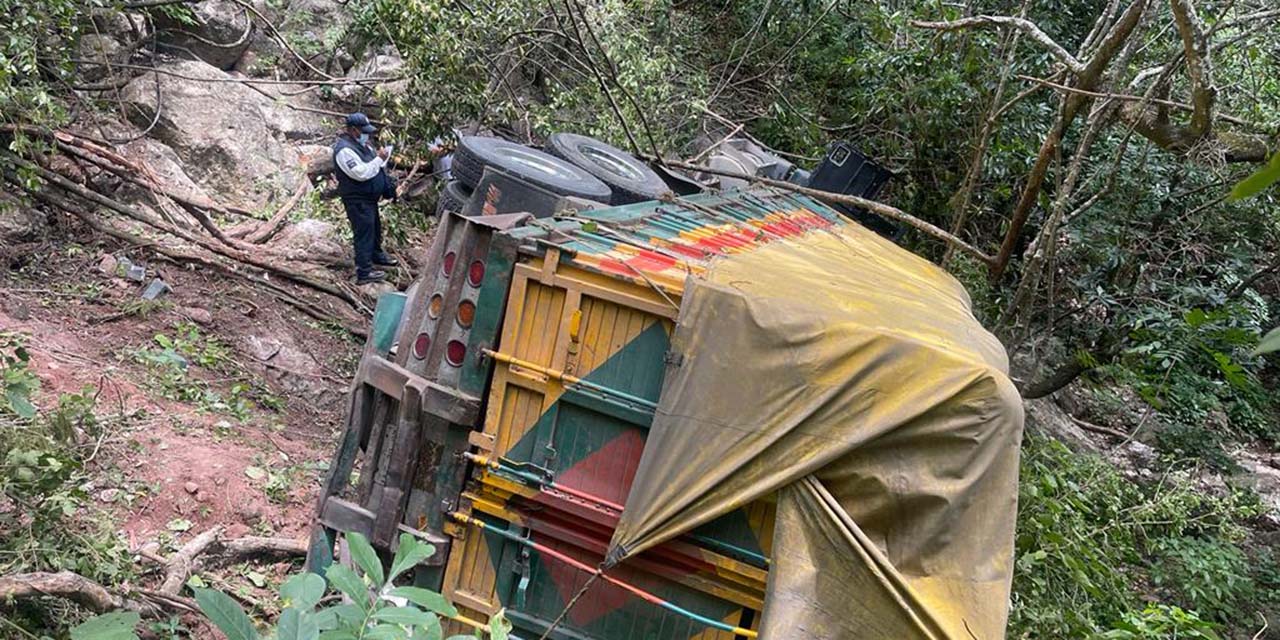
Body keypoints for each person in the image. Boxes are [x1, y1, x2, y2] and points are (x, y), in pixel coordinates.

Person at [333, 112, 398, 284]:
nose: (367, 135)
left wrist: (383, 160)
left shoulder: (365, 146)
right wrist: (379, 159)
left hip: (370, 199)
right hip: (357, 200)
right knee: (364, 234)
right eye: (364, 131)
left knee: (375, 229)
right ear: (354, 130)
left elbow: (375, 167)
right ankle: (364, 272)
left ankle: (377, 256)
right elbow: (360, 173)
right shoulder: (344, 150)